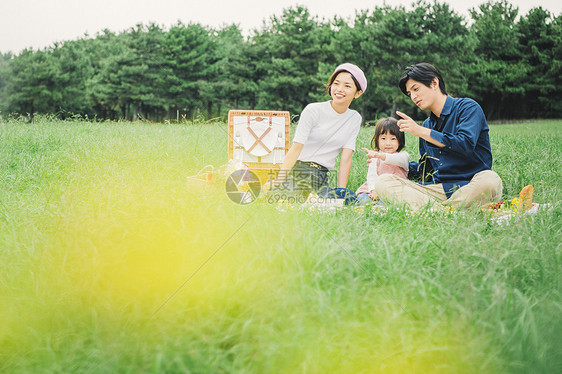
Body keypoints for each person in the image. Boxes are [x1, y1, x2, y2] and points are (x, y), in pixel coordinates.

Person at [374, 62, 503, 211]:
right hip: (437, 190)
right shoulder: (427, 125)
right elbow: (425, 171)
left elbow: (465, 144)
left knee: (491, 180)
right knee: (383, 182)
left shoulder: (468, 108)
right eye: (410, 94)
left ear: (434, 83)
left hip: (471, 185)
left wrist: (421, 131)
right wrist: (390, 160)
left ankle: (435, 211)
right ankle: (446, 211)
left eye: (416, 89)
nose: (414, 97)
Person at [269, 63, 367, 202]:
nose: (339, 89)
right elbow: (296, 148)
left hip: (320, 176)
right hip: (299, 169)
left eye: (347, 86)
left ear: (358, 93)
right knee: (285, 198)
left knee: (347, 198)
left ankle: (314, 198)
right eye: (336, 83)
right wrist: (279, 179)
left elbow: (346, 158)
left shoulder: (354, 118)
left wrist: (341, 192)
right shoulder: (313, 110)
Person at [355, 117, 409, 204]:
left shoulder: (403, 156)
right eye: (383, 138)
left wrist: (380, 155)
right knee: (363, 199)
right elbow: (372, 176)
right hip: (376, 189)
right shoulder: (375, 157)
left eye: (393, 139)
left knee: (391, 202)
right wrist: (373, 190)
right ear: (377, 140)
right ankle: (373, 206)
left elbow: (396, 160)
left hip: (396, 191)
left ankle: (380, 207)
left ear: (400, 140)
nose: (388, 143)